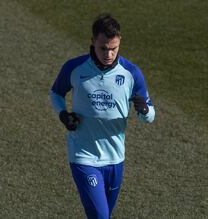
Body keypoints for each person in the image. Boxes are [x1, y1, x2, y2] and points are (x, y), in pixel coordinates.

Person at [49, 14, 155, 219]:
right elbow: (56, 93)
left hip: (115, 158)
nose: (109, 54)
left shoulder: (131, 73)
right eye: (103, 48)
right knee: (100, 216)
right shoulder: (75, 68)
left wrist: (144, 110)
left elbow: (150, 116)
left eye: (114, 48)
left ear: (119, 42)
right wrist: (63, 114)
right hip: (83, 155)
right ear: (92, 42)